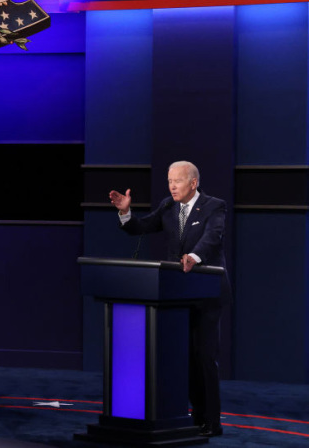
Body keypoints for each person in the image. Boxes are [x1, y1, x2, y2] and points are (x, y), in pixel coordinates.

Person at [109, 160, 230, 438]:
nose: (172, 186)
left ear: (193, 183)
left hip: (207, 294)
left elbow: (213, 237)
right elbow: (142, 227)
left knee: (205, 357)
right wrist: (126, 213)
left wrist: (194, 257)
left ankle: (211, 421)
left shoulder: (214, 206)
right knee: (185, 358)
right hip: (177, 295)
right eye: (169, 181)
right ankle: (192, 415)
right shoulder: (168, 206)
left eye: (177, 181)